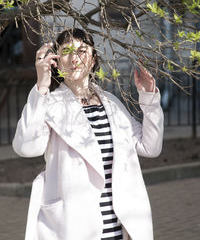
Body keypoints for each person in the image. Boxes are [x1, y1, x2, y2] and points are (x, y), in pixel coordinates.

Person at [12, 28, 164, 240]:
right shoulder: (49, 104)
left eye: (82, 50)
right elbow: (25, 147)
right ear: (56, 61)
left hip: (120, 226)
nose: (74, 58)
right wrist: (41, 86)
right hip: (74, 226)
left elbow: (151, 147)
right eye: (66, 51)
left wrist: (149, 99)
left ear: (93, 59)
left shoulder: (111, 103)